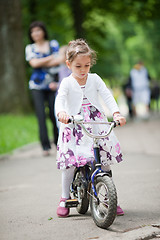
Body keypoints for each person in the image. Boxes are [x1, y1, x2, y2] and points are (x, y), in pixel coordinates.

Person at [55, 39, 126, 218]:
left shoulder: (94, 79)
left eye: (86, 65)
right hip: (74, 124)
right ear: (68, 64)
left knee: (104, 160)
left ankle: (109, 197)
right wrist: (61, 112)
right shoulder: (67, 82)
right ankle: (64, 197)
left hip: (96, 124)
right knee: (70, 163)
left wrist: (116, 113)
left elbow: (107, 95)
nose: (83, 70)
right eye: (78, 66)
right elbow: (60, 99)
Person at [25, 21, 64, 156]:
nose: (35, 33)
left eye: (38, 30)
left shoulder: (53, 44)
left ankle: (59, 144)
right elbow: (33, 63)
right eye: (33, 31)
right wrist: (50, 58)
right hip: (36, 86)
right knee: (41, 115)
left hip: (53, 85)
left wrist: (41, 61)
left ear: (43, 31)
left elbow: (59, 61)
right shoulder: (30, 48)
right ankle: (45, 146)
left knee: (56, 115)